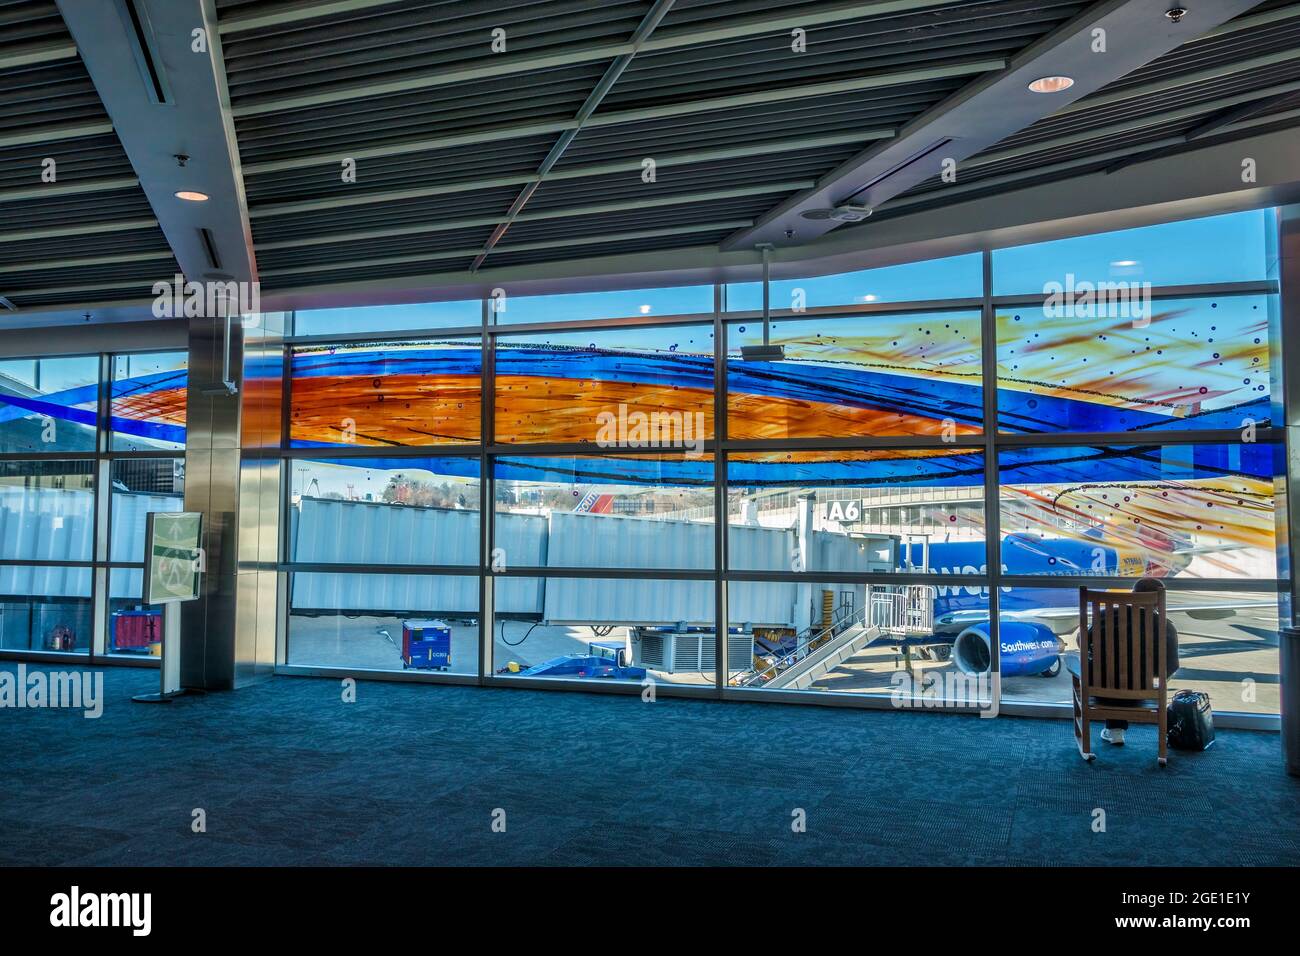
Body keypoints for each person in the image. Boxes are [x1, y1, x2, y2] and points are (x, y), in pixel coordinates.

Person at [1087, 577, 1180, 746]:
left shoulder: (1106, 615)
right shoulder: (1165, 627)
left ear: (1132, 596)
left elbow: (1083, 642)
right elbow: (1172, 665)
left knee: (1108, 670)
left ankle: (1115, 730)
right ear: (1159, 602)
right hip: (1141, 691)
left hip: (1101, 690)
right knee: (1130, 676)